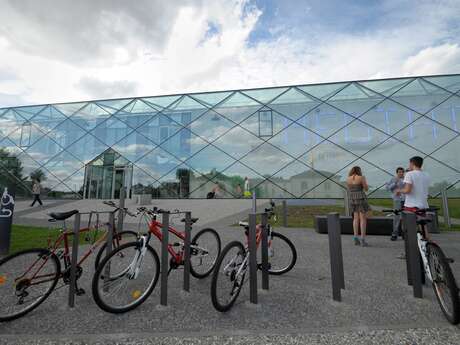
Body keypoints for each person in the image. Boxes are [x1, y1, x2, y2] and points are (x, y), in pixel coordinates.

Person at [396, 156, 431, 239]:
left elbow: (407, 190)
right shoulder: (426, 174)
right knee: (423, 226)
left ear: (412, 163)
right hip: (423, 205)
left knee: (409, 227)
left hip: (411, 205)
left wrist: (399, 190)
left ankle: (412, 247)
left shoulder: (409, 174)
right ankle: (426, 245)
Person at [347, 166, 370, 246]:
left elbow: (349, 189)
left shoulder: (348, 178)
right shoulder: (361, 177)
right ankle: (363, 239)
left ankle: (355, 238)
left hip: (352, 198)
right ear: (359, 171)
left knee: (355, 219)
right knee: (363, 219)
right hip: (360, 197)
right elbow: (366, 188)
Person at [386, 167, 405, 241]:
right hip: (397, 200)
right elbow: (387, 188)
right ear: (396, 173)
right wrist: (395, 183)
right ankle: (394, 234)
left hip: (406, 200)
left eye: (402, 172)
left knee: (405, 217)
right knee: (397, 217)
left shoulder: (406, 179)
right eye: (399, 172)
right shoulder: (393, 179)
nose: (401, 173)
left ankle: (404, 233)